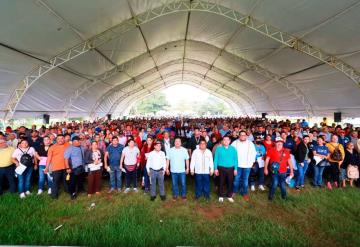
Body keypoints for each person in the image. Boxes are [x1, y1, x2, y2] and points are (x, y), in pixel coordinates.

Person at [264, 137, 294, 201]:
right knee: (274, 183)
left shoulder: (286, 151)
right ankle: (271, 196)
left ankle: (284, 196)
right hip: (274, 171)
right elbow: (267, 160)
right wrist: (265, 168)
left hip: (283, 171)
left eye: (281, 142)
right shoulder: (271, 150)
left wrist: (291, 171)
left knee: (282, 184)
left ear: (283, 143)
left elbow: (290, 161)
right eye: (278, 142)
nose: (279, 144)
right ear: (275, 143)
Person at [231, 130, 256, 201]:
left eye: (244, 135)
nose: (242, 136)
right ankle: (234, 191)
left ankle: (244, 193)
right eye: (241, 135)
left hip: (247, 165)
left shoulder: (250, 143)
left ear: (246, 136)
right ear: (239, 136)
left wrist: (252, 162)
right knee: (236, 180)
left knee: (245, 180)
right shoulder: (234, 143)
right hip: (237, 165)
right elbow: (231, 153)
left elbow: (253, 153)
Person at [45, 135, 71, 199]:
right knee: (56, 182)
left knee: (67, 180)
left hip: (66, 166)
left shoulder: (68, 145)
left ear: (64, 139)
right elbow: (49, 158)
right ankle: (54, 195)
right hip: (56, 167)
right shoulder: (52, 147)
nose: (60, 140)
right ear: (56, 140)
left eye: (62, 138)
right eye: (58, 139)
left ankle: (67, 190)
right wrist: (47, 167)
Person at [214, 135, 238, 203]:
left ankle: (229, 195)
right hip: (221, 168)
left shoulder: (233, 149)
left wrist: (235, 169)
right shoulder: (219, 148)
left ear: (230, 141)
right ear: (222, 141)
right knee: (221, 182)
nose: (226, 141)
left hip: (231, 168)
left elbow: (235, 159)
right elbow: (216, 159)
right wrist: (215, 168)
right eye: (224, 140)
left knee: (230, 182)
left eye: (227, 140)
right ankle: (220, 195)